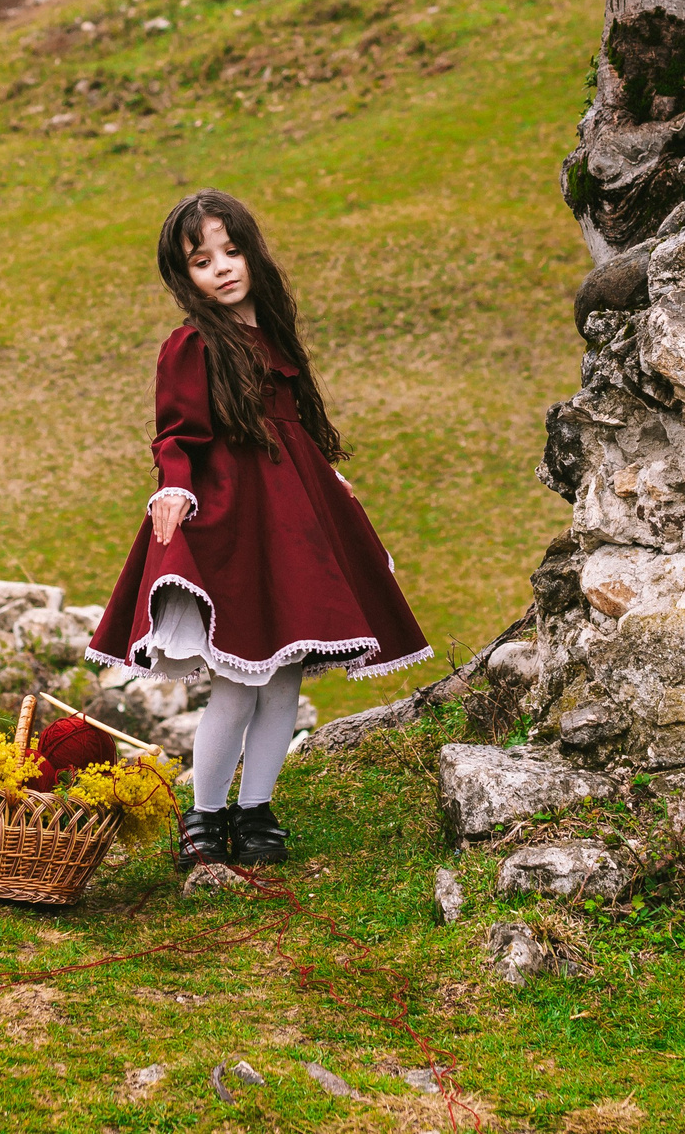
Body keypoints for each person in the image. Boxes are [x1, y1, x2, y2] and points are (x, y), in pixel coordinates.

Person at [88, 190, 431, 870]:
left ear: (252, 251)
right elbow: (178, 433)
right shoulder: (190, 344)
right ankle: (206, 814)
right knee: (240, 678)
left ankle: (257, 809)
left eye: (232, 249)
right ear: (184, 277)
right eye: (202, 259)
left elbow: (292, 425)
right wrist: (175, 487)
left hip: (293, 516)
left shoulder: (272, 338)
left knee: (284, 679)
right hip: (235, 520)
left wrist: (328, 481)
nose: (222, 267)